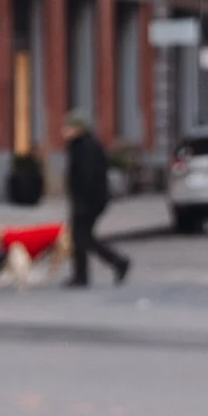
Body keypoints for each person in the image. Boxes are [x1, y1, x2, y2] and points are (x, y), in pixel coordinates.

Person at [64, 111, 129, 287]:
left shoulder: (86, 147)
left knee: (81, 237)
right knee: (82, 237)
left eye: (69, 127)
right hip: (88, 200)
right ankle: (112, 264)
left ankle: (87, 273)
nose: (65, 130)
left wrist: (81, 203)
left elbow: (87, 177)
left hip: (89, 201)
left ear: (78, 128)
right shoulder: (80, 145)